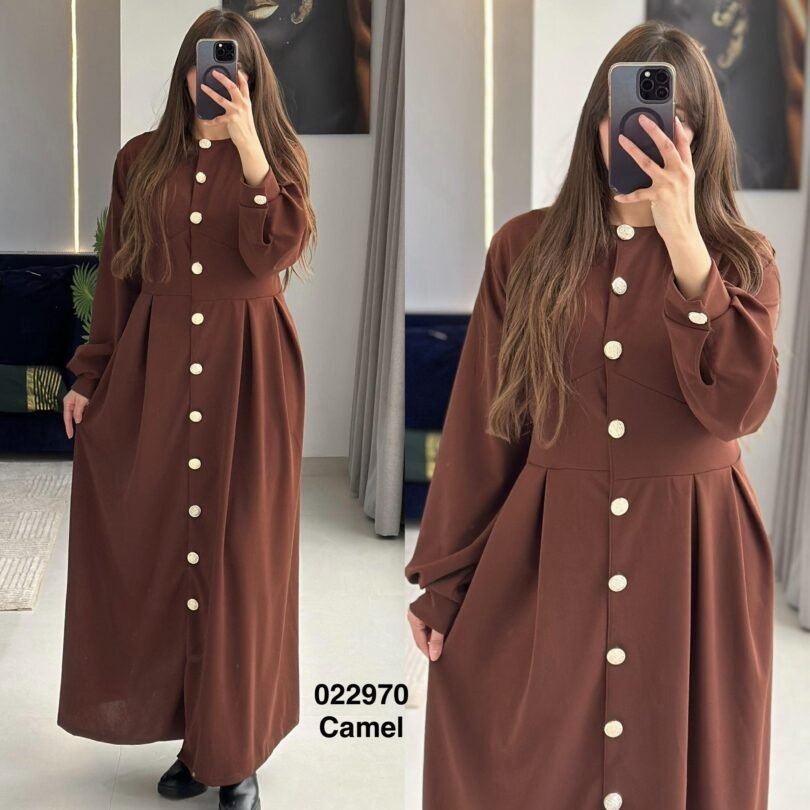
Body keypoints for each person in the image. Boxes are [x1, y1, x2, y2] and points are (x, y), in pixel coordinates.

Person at [405, 20, 781, 810]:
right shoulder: (524, 251)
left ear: (701, 140)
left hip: (694, 561)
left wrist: (686, 247)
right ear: (597, 125)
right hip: (551, 549)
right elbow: (485, 429)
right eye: (626, 116)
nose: (646, 138)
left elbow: (740, 408)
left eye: (671, 122)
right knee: (534, 760)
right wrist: (444, 582)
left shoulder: (742, 261)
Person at [57, 10, 315, 810]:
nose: (217, 79)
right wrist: (90, 375)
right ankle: (195, 741)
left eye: (233, 67)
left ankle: (234, 752)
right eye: (206, 64)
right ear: (185, 71)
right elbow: (120, 274)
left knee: (240, 562)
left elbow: (280, 248)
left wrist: (249, 146)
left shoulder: (278, 159)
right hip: (155, 372)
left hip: (251, 376)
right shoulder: (139, 161)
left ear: (254, 79)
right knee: (166, 553)